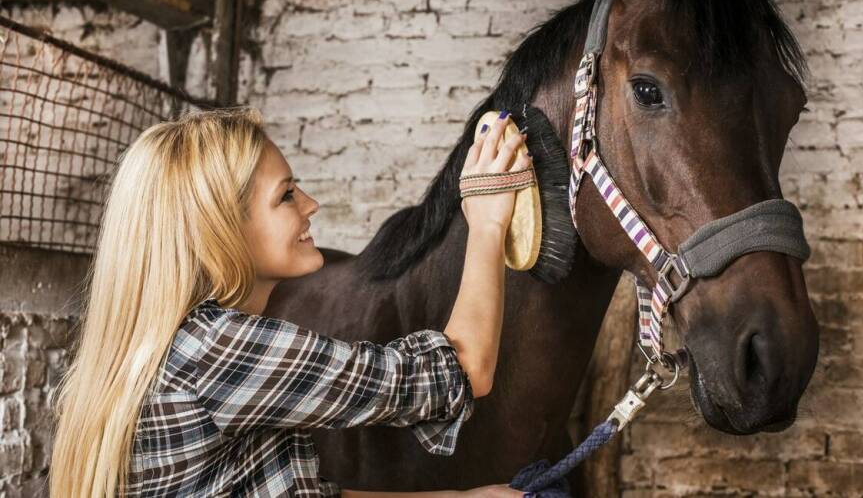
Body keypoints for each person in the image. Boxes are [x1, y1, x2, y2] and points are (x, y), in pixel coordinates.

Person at [49, 108, 529, 497]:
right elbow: (462, 369)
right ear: (222, 229)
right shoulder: (218, 351)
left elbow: (297, 491)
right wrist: (485, 219)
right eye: (286, 195)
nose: (311, 204)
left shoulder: (170, 349)